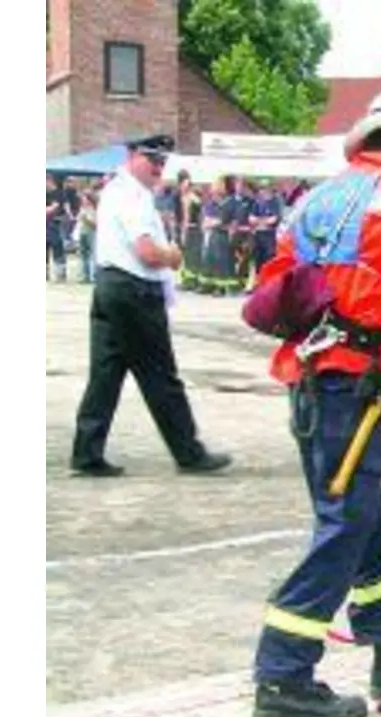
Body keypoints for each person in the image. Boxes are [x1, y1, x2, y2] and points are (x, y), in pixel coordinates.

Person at [247, 91, 381, 717]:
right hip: (355, 382)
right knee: (346, 522)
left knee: (367, 523)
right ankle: (282, 672)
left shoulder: (315, 198)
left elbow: (278, 285)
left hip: (309, 376)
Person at [69, 135, 231, 478]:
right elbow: (146, 253)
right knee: (160, 376)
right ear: (132, 156)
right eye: (152, 160)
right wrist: (172, 256)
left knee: (106, 374)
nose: (158, 168)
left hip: (111, 286)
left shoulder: (117, 189)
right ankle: (188, 452)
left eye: (162, 162)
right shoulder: (133, 195)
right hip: (133, 290)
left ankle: (87, 451)